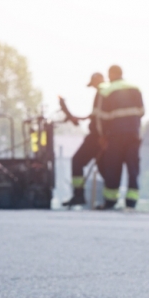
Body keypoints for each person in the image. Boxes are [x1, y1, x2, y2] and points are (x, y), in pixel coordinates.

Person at [95, 65, 144, 210]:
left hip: (115, 136)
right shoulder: (135, 88)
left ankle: (110, 201)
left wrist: (102, 136)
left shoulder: (106, 91)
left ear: (110, 74)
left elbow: (101, 117)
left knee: (113, 168)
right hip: (133, 135)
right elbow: (141, 111)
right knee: (133, 168)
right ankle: (131, 202)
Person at [60, 72, 105, 208]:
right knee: (104, 167)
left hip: (97, 137)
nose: (93, 87)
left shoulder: (102, 93)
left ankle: (79, 195)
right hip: (101, 136)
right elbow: (95, 115)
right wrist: (80, 118)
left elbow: (100, 118)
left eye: (94, 84)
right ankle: (107, 200)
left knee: (77, 161)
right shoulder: (103, 94)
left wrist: (102, 136)